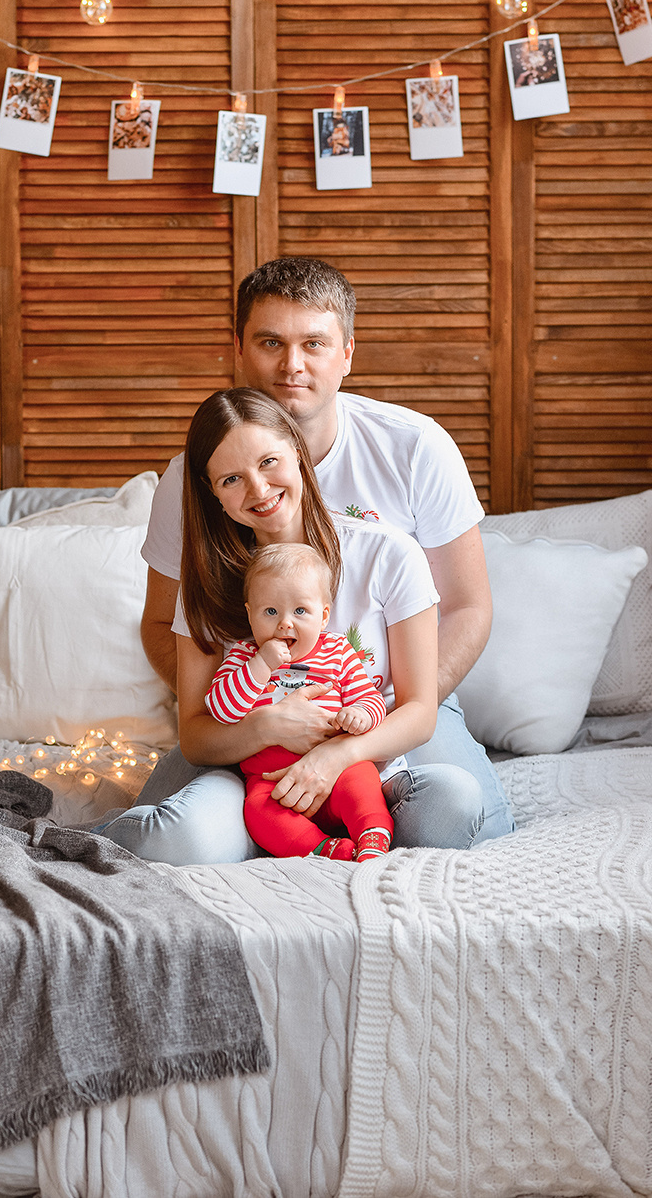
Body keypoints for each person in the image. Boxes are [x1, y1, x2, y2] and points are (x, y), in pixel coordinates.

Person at [131, 256, 514, 860]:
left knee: (475, 829)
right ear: (239, 349)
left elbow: (468, 608)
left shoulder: (414, 448)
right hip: (253, 704)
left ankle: (337, 822)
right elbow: (163, 625)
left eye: (314, 343)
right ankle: (275, 827)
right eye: (270, 343)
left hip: (391, 693)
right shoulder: (193, 480)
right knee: (159, 840)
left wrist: (366, 723)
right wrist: (248, 718)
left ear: (347, 353)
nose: (292, 365)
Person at [94, 388, 495, 865]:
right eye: (231, 479)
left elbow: (420, 712)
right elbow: (197, 737)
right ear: (213, 494)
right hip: (251, 779)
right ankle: (265, 835)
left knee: (456, 801)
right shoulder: (207, 580)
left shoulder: (387, 554)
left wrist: (334, 757)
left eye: (268, 462)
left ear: (298, 455)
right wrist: (267, 728)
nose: (258, 490)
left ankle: (341, 837)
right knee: (180, 840)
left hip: (360, 769)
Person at [207, 541, 393, 862]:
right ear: (250, 614)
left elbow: (371, 698)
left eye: (300, 611)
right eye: (270, 612)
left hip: (336, 771)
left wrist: (360, 714)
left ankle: (372, 833)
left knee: (362, 778)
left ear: (323, 617)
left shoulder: (336, 652)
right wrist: (261, 665)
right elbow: (222, 709)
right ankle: (325, 849)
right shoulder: (244, 656)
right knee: (256, 811)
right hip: (272, 784)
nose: (285, 623)